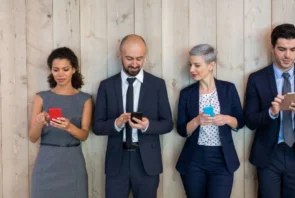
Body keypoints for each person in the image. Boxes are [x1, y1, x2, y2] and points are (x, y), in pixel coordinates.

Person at [244, 23, 295, 198]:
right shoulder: (256, 79)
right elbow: (250, 121)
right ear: (273, 47)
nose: (287, 55)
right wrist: (270, 113)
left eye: (292, 49)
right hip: (268, 154)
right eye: (282, 49)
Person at [92, 34, 173, 198]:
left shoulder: (157, 85)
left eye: (139, 58)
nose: (135, 64)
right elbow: (97, 126)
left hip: (147, 163)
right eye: (129, 58)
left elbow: (168, 124)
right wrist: (117, 123)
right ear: (120, 55)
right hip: (117, 161)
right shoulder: (106, 86)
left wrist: (147, 125)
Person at [176, 44, 244, 198]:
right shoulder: (187, 94)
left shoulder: (228, 89)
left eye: (197, 65)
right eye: (190, 65)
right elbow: (181, 130)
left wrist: (226, 119)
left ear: (211, 65)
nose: (192, 69)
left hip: (222, 159)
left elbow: (240, 122)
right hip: (194, 158)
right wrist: (196, 121)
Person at [29, 47, 92, 198]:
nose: (61, 74)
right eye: (56, 70)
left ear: (74, 69)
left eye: (65, 69)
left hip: (73, 162)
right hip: (46, 162)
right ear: (51, 71)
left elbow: (84, 135)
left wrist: (69, 127)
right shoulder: (41, 97)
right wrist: (40, 122)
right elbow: (32, 137)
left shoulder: (85, 99)